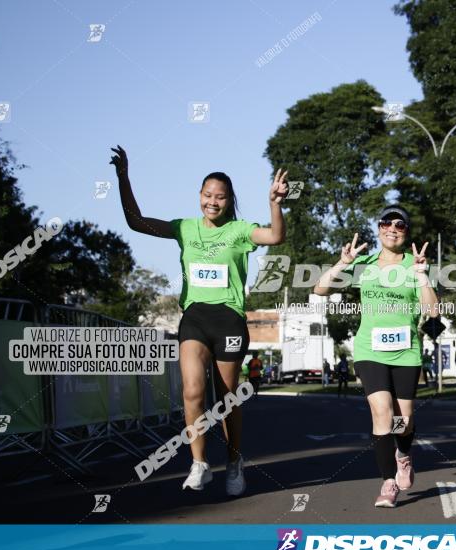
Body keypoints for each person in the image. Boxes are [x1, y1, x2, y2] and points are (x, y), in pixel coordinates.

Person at [110, 145, 287, 496]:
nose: (213, 201)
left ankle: (234, 461)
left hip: (229, 321)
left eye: (220, 197)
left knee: (226, 400)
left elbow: (275, 236)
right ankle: (199, 463)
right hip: (195, 318)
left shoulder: (239, 231)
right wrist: (123, 178)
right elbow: (136, 221)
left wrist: (275, 203)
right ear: (200, 196)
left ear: (229, 200)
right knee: (192, 389)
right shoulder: (185, 229)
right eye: (207, 195)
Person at [314, 204, 439, 508]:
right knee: (382, 412)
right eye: (386, 223)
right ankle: (388, 482)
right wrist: (343, 263)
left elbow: (432, 311)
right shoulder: (364, 263)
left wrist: (422, 275)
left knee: (403, 421)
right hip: (370, 349)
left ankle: (403, 454)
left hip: (406, 351)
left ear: (406, 231)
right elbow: (320, 288)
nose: (392, 228)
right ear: (379, 228)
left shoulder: (415, 264)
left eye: (399, 224)